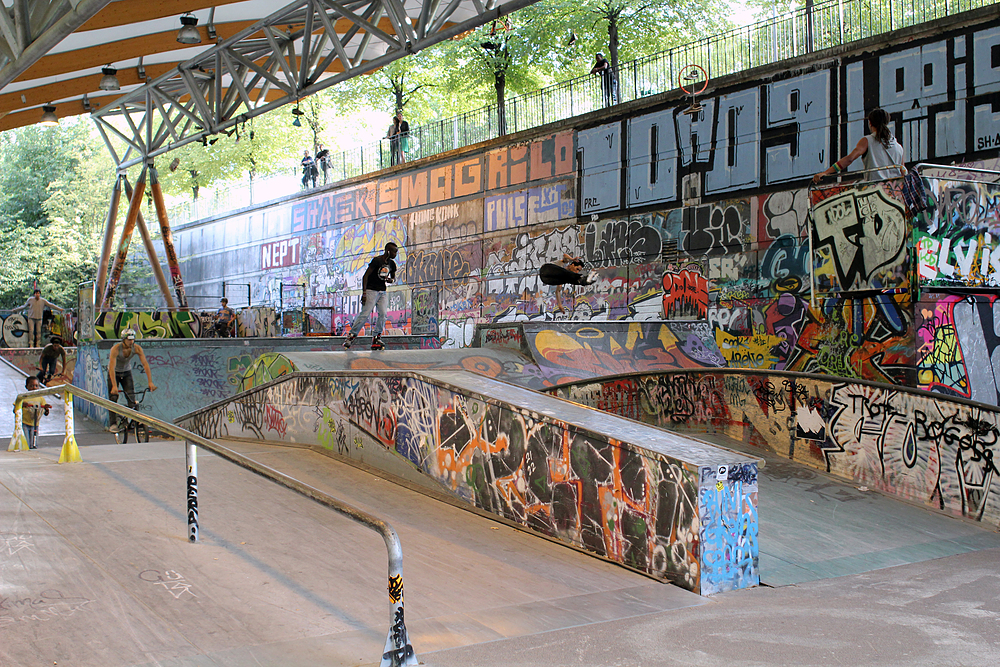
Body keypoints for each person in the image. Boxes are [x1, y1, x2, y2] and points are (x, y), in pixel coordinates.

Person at [813, 108, 905, 183]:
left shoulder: (867, 141)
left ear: (870, 123)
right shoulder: (898, 146)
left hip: (876, 192)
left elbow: (849, 159)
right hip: (895, 194)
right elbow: (903, 172)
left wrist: (826, 172)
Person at [343, 242, 399, 351]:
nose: (395, 254)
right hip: (371, 291)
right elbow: (365, 276)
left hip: (382, 292)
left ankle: (376, 337)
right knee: (365, 314)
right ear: (388, 251)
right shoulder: (377, 261)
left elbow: (393, 278)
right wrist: (364, 293)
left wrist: (390, 280)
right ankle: (351, 336)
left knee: (383, 314)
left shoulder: (392, 264)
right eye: (394, 251)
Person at [107, 328, 157, 432]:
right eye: (129, 340)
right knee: (113, 397)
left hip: (126, 373)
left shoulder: (136, 348)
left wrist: (150, 382)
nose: (131, 342)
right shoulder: (116, 349)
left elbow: (145, 364)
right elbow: (111, 368)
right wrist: (114, 386)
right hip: (114, 373)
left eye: (132, 340)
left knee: (131, 398)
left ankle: (135, 421)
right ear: (123, 340)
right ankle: (113, 424)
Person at [20, 376, 51, 450]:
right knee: (26, 441)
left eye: (36, 386)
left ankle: (33, 451)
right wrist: (22, 405)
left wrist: (46, 408)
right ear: (26, 387)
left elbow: (46, 413)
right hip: (25, 423)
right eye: (31, 386)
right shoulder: (23, 397)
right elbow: (15, 409)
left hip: (35, 424)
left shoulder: (41, 398)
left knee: (34, 442)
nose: (34, 388)